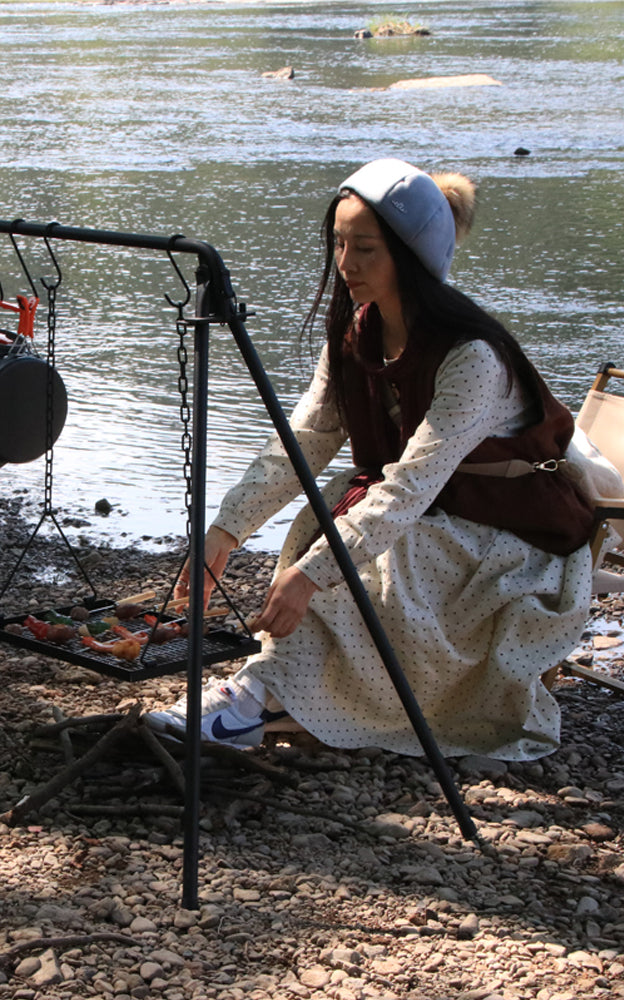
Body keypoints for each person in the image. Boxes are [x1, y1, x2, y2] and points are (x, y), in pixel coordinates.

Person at [147, 157, 598, 761]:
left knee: (377, 549)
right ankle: (267, 692)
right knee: (328, 515)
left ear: (410, 257)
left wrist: (310, 575)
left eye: (365, 248)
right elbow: (303, 439)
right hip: (434, 513)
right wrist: (226, 531)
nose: (345, 264)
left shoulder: (473, 357)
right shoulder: (355, 333)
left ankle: (253, 701)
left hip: (513, 536)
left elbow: (409, 487)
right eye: (338, 243)